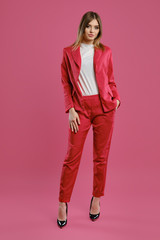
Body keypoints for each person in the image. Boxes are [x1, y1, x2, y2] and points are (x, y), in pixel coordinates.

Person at [57, 11, 121, 228]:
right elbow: (66, 83)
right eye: (89, 26)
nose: (92, 31)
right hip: (81, 109)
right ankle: (63, 203)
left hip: (104, 108)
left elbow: (111, 80)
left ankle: (96, 198)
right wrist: (70, 109)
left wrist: (117, 98)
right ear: (82, 28)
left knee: (101, 157)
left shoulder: (106, 51)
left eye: (96, 27)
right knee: (71, 158)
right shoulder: (69, 52)